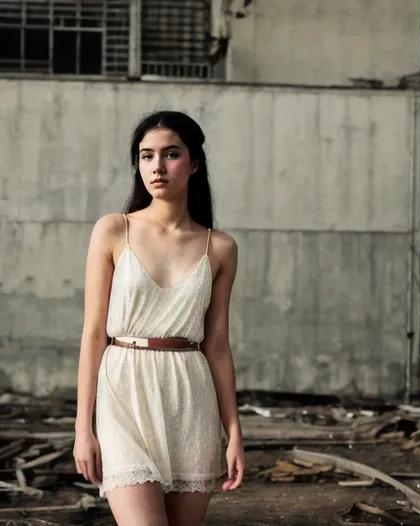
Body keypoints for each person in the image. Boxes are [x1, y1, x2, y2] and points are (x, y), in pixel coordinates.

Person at [73, 111, 245, 526]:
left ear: (194, 163)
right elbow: (94, 333)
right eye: (146, 156)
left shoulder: (219, 247)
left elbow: (217, 346)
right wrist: (83, 427)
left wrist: (234, 431)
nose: (157, 166)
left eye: (170, 154)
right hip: (124, 393)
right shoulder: (114, 231)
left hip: (190, 396)